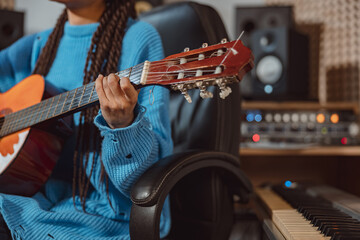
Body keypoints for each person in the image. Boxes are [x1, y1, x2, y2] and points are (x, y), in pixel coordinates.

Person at [0, 0, 173, 239]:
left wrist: (123, 126)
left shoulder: (138, 37)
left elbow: (151, 174)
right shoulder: (40, 44)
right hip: (34, 197)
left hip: (101, 213)